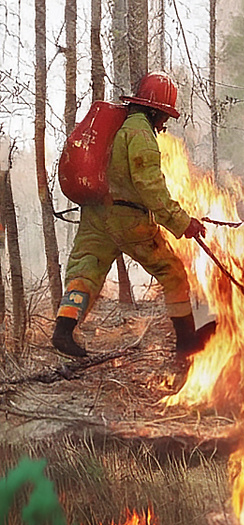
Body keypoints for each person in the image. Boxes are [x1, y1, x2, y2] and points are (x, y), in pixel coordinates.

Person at [52, 71, 211, 359]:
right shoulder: (140, 134)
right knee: (172, 272)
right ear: (155, 111)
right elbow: (150, 187)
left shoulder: (119, 126)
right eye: (164, 116)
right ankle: (187, 341)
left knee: (85, 271)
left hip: (96, 213)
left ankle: (63, 330)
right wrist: (182, 222)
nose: (164, 124)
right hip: (128, 219)